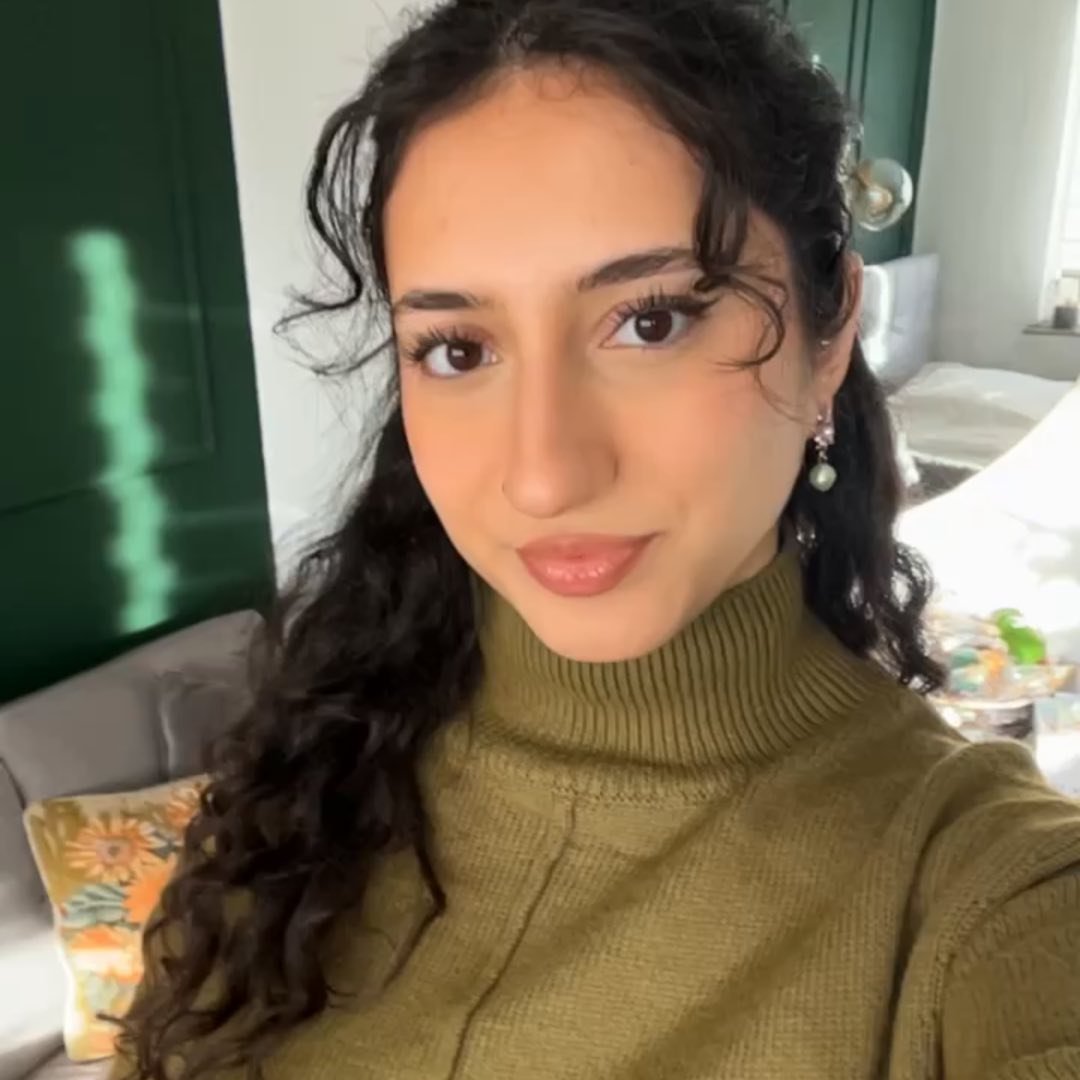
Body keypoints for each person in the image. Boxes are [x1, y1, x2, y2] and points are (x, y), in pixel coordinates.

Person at [113, 1, 1080, 1077]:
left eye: (652, 321)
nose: (544, 477)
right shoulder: (307, 778)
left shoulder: (986, 893)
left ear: (830, 332)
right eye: (458, 348)